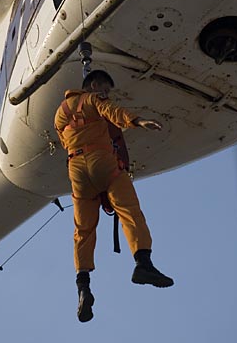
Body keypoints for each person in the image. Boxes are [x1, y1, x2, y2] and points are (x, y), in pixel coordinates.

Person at [54, 70, 173, 323]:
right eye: (105, 88)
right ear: (94, 85)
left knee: (83, 231)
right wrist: (138, 121)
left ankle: (83, 285)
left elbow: (64, 140)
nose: (106, 93)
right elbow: (113, 113)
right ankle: (143, 263)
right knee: (129, 210)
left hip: (76, 170)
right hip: (101, 161)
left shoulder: (60, 113)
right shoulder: (92, 99)